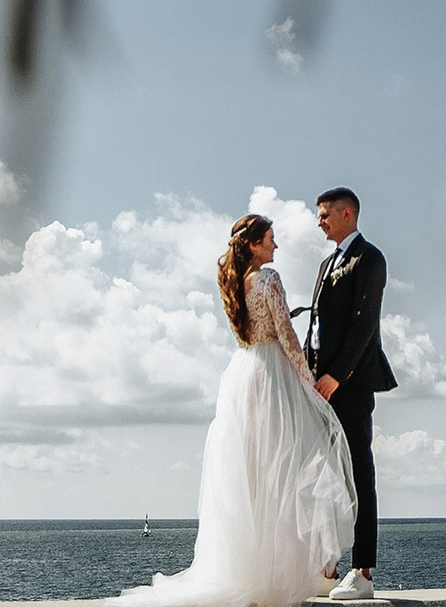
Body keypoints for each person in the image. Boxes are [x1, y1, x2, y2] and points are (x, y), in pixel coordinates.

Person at [121, 214, 357, 607]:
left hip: (242, 375)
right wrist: (309, 384)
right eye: (271, 239)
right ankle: (298, 571)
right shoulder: (269, 279)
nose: (276, 247)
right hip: (273, 376)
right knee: (294, 468)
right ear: (253, 245)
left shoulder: (231, 282)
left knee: (252, 478)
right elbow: (286, 333)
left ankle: (254, 573)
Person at [308, 188, 394, 602]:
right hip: (322, 386)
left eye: (324, 214)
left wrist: (337, 376)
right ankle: (329, 565)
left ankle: (363, 571)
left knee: (360, 472)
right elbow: (320, 328)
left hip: (352, 385)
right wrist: (311, 374)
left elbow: (365, 326)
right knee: (326, 475)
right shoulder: (327, 263)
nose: (319, 221)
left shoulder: (370, 258)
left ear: (347, 213)